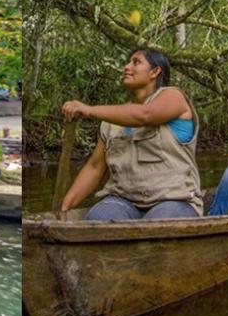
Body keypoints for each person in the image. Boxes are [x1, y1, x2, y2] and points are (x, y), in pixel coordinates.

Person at [60, 48, 202, 220]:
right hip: (123, 200)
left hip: (174, 200)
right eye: (128, 62)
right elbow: (95, 168)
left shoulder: (174, 97)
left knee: (157, 225)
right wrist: (64, 209)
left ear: (155, 71)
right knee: (97, 218)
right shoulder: (111, 121)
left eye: (136, 62)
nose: (126, 67)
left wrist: (88, 110)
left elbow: (145, 115)